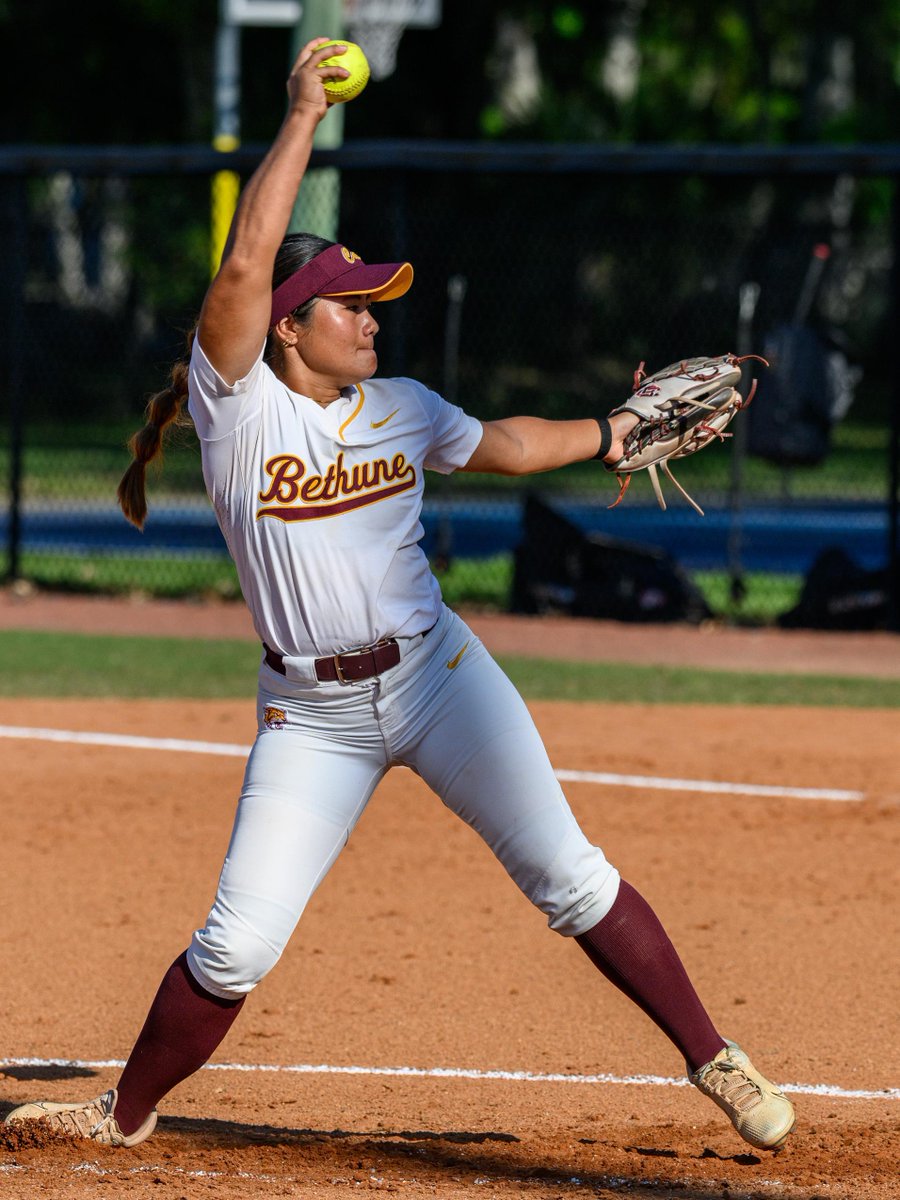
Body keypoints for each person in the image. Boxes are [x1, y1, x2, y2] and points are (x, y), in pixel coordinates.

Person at [5, 38, 794, 1155]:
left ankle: (716, 1058)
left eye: (374, 303)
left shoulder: (404, 406)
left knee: (569, 877)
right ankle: (120, 1116)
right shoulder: (240, 412)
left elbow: (507, 444)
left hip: (440, 678)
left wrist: (613, 429)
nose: (372, 317)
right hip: (311, 716)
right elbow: (243, 264)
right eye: (349, 304)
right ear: (287, 327)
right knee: (235, 945)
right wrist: (300, 116)